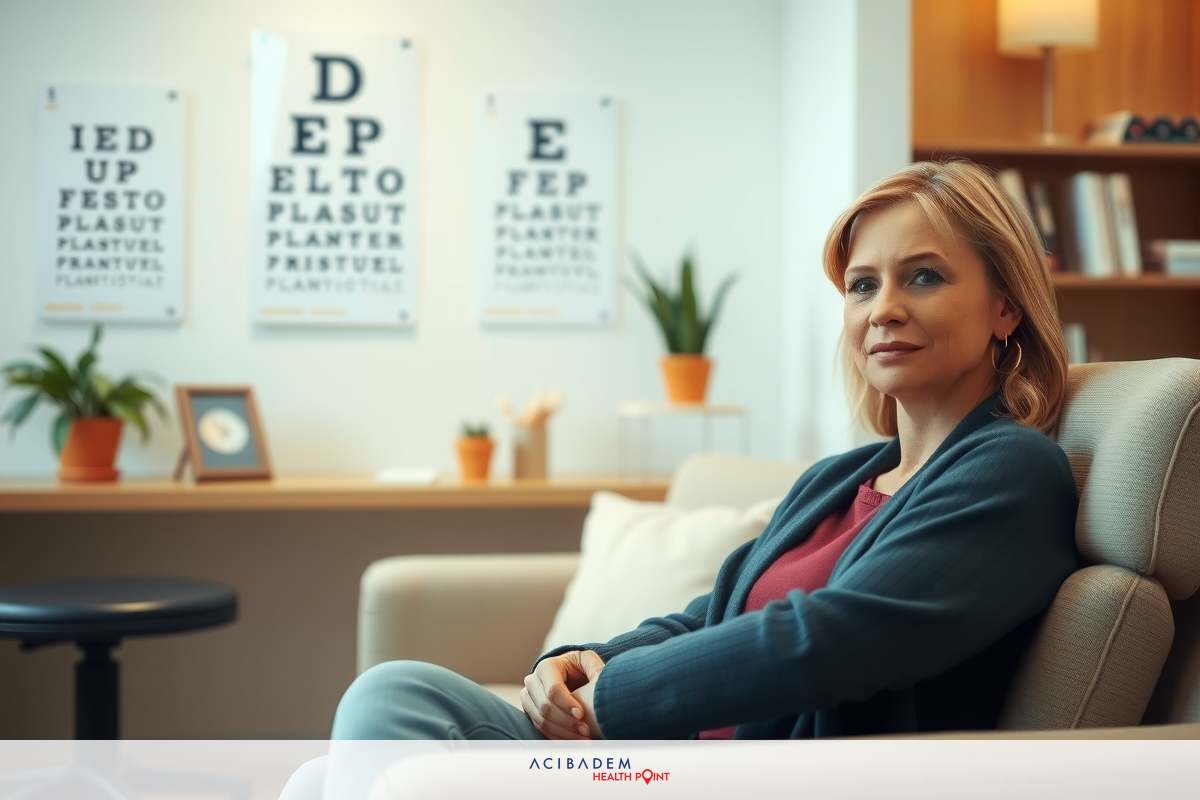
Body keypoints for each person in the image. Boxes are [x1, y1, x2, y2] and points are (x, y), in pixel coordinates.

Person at [331, 160, 1079, 742]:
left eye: (923, 276)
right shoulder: (842, 479)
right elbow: (714, 612)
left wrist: (613, 699)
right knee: (398, 695)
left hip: (746, 776)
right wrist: (584, 663)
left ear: (1005, 305)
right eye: (860, 285)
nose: (883, 308)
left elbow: (828, 641)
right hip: (663, 758)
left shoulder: (1011, 471)